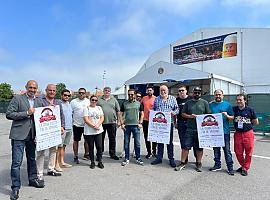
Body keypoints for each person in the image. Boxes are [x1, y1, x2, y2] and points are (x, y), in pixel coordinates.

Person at [6, 80, 45, 200]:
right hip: (18, 135)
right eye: (30, 87)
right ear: (26, 87)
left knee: (32, 159)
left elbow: (44, 115)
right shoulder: (18, 99)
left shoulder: (39, 101)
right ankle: (15, 187)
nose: (32, 90)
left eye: (34, 88)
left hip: (32, 135)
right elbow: (9, 114)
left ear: (37, 89)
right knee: (16, 162)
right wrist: (26, 113)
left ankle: (32, 180)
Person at [175, 86, 211, 172]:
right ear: (192, 93)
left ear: (200, 93)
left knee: (199, 147)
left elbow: (208, 114)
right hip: (190, 128)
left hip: (200, 129)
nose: (197, 94)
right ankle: (183, 162)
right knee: (185, 147)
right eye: (195, 92)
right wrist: (190, 116)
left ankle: (198, 163)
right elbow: (182, 114)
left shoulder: (205, 103)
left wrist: (202, 117)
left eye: (198, 93)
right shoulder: (188, 103)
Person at [36, 84, 65, 179]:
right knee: (41, 152)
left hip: (54, 131)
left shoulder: (58, 102)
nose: (52, 92)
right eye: (50, 90)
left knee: (53, 150)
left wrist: (62, 126)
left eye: (53, 90)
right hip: (43, 131)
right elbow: (36, 115)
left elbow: (61, 115)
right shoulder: (40, 100)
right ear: (46, 90)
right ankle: (39, 173)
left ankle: (51, 169)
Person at [151, 85, 179, 168]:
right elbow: (154, 109)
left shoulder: (172, 99)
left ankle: (171, 159)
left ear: (168, 91)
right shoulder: (157, 99)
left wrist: (174, 113)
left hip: (168, 124)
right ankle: (159, 158)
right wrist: (151, 112)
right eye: (161, 90)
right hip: (159, 124)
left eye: (164, 90)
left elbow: (177, 109)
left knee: (169, 142)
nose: (163, 91)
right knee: (160, 141)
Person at [209, 89, 234, 175]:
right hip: (214, 132)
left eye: (219, 94)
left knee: (227, 151)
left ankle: (230, 167)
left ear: (223, 95)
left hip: (225, 131)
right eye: (216, 95)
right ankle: (217, 165)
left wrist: (227, 116)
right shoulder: (210, 105)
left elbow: (233, 117)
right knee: (216, 150)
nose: (218, 96)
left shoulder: (227, 105)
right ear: (214, 95)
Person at [233, 94, 258, 176]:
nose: (238, 101)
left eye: (240, 100)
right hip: (238, 133)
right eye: (237, 100)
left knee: (248, 152)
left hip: (248, 133)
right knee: (238, 152)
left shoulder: (250, 109)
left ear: (245, 100)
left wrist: (248, 125)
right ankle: (243, 165)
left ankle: (245, 168)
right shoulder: (234, 109)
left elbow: (256, 122)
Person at [119, 89, 144, 166]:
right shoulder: (124, 103)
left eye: (132, 94)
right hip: (127, 126)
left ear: (135, 95)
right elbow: (120, 114)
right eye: (129, 94)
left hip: (136, 126)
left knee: (137, 143)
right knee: (126, 143)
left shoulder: (138, 104)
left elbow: (142, 113)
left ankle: (138, 158)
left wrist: (140, 123)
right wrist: (122, 123)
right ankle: (126, 158)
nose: (130, 96)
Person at [97, 87, 121, 160]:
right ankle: (99, 154)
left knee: (112, 139)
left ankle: (112, 154)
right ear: (103, 91)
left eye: (108, 91)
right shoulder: (99, 100)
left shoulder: (114, 100)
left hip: (112, 122)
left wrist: (119, 121)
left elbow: (118, 111)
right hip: (101, 123)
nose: (107, 92)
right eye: (105, 90)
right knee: (100, 139)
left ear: (110, 92)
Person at [83, 95, 105, 169]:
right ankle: (92, 162)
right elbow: (86, 119)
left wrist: (98, 125)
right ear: (90, 100)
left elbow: (102, 117)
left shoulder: (99, 108)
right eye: (92, 100)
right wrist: (93, 126)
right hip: (89, 132)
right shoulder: (87, 108)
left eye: (95, 100)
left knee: (99, 147)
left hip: (98, 131)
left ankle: (100, 161)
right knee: (91, 147)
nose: (94, 101)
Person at [70, 88, 90, 164]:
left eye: (83, 93)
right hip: (76, 125)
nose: (81, 94)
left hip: (86, 124)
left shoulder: (88, 101)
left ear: (85, 94)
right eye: (80, 93)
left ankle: (86, 154)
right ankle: (75, 156)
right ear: (78, 93)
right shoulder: (73, 102)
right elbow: (70, 113)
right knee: (76, 141)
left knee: (87, 140)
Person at [55, 89, 73, 171]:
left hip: (69, 128)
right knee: (58, 147)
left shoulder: (69, 104)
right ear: (61, 95)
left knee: (64, 146)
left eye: (68, 95)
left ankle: (62, 162)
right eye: (65, 95)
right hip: (62, 128)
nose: (66, 97)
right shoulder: (58, 104)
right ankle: (56, 164)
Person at [175, 85, 193, 163]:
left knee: (194, 142)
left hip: (191, 123)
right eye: (179, 91)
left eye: (182, 90)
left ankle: (198, 161)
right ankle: (185, 159)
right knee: (183, 141)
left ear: (186, 91)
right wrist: (175, 122)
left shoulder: (191, 99)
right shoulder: (176, 100)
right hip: (181, 123)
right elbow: (174, 112)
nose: (181, 92)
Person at [141, 85, 157, 158]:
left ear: (153, 91)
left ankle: (154, 152)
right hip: (145, 120)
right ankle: (149, 152)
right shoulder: (144, 98)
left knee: (154, 137)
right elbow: (140, 108)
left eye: (150, 90)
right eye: (148, 90)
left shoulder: (156, 99)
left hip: (153, 121)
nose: (149, 91)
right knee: (146, 137)